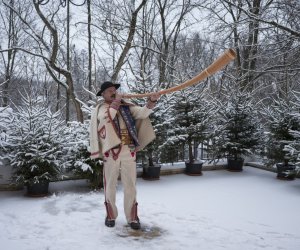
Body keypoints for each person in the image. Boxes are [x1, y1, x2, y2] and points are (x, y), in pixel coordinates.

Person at [89, 81, 159, 230]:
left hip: (129, 150)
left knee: (131, 185)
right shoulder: (101, 108)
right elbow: (107, 118)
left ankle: (132, 217)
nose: (113, 92)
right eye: (109, 91)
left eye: (115, 90)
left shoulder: (126, 105)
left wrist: (151, 101)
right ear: (103, 94)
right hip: (111, 152)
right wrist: (116, 101)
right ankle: (111, 215)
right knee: (110, 185)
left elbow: (142, 113)